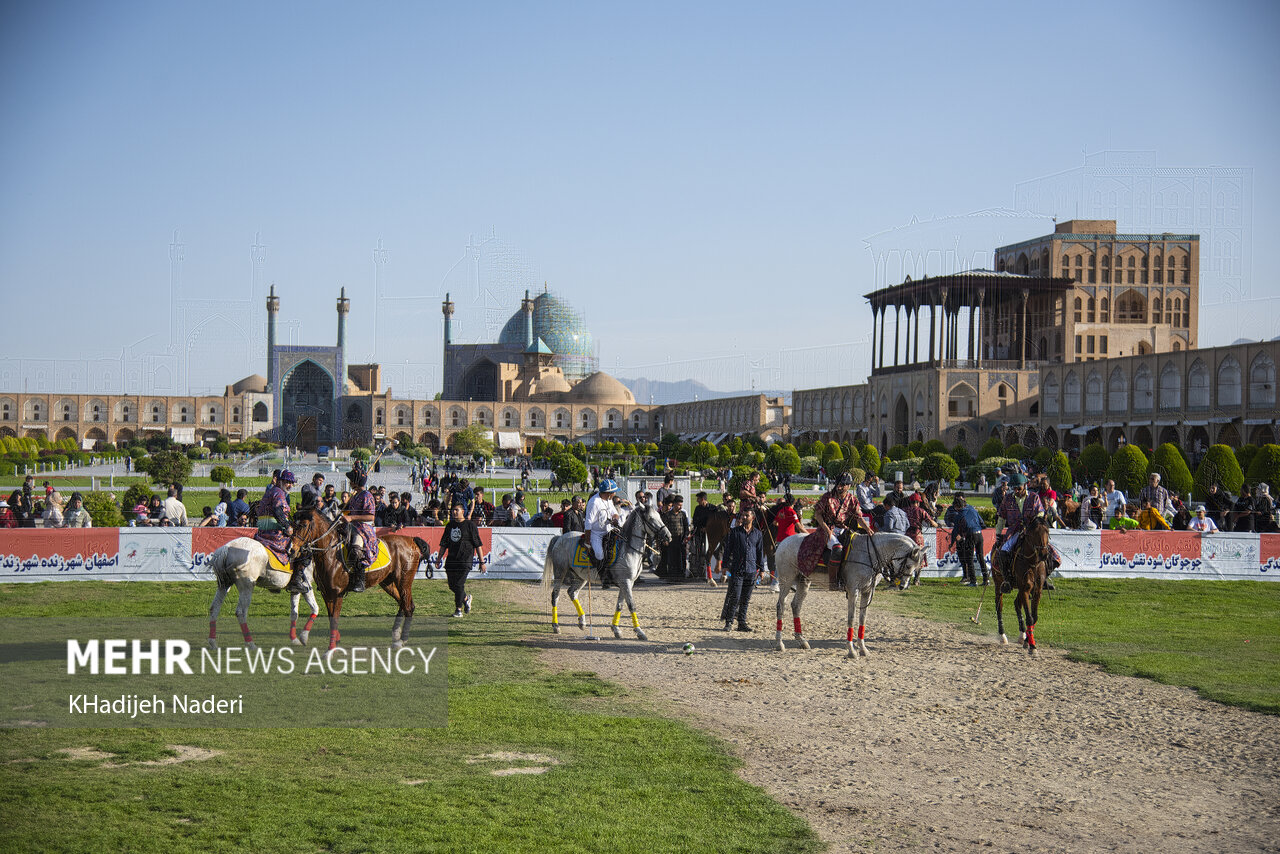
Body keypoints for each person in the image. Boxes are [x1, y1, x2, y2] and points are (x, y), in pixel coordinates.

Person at [811, 473, 867, 591]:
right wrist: (826, 529)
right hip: (826, 529)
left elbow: (859, 517)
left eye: (842, 485)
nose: (839, 487)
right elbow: (817, 514)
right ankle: (833, 582)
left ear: (848, 486)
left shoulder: (852, 499)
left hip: (843, 529)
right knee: (837, 548)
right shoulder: (828, 497)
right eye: (838, 484)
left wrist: (868, 530)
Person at [253, 469, 306, 592]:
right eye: (288, 482)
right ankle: (296, 581)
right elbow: (278, 511)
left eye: (292, 483)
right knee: (301, 549)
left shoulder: (272, 491)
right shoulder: (279, 493)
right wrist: (287, 526)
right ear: (280, 481)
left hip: (263, 531)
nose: (290, 485)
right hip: (274, 533)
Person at [719, 507, 765, 632]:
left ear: (752, 518)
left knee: (746, 599)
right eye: (742, 516)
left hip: (751, 570)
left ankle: (741, 623)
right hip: (737, 570)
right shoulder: (734, 532)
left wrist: (761, 570)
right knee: (735, 597)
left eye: (746, 515)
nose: (743, 517)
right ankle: (729, 622)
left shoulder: (758, 534)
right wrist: (724, 566)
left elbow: (760, 552)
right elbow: (728, 550)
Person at [438, 503, 485, 617]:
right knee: (452, 585)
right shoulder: (449, 526)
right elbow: (444, 544)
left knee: (459, 584)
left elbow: (478, 544)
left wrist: (481, 562)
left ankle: (458, 610)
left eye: (456, 510)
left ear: (463, 511)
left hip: (465, 560)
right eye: (453, 510)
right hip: (451, 560)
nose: (454, 512)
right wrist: (439, 558)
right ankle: (465, 599)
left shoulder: (470, 525)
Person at [341, 462, 376, 593]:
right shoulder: (355, 496)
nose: (349, 482)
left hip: (363, 530)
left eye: (351, 480)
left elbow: (371, 517)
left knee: (355, 549)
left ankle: (360, 580)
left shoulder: (367, 495)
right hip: (351, 527)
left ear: (356, 482)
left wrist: (351, 518)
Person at [945, 493, 988, 586]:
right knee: (981, 557)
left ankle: (973, 581)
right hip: (979, 535)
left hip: (970, 536)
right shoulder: (972, 509)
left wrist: (951, 543)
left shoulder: (959, 515)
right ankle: (986, 580)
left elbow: (955, 531)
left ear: (957, 506)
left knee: (969, 559)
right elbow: (982, 522)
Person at [585, 479, 622, 578]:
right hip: (596, 533)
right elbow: (588, 523)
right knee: (599, 554)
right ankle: (602, 575)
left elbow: (615, 513)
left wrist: (615, 518)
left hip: (609, 530)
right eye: (614, 491)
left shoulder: (609, 500)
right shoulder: (594, 502)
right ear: (608, 493)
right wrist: (587, 542)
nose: (615, 493)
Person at [660, 494, 690, 581]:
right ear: (674, 504)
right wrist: (665, 540)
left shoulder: (683, 515)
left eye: (681, 505)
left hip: (681, 540)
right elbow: (663, 529)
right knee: (672, 559)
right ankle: (672, 577)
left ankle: (681, 575)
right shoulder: (667, 515)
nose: (680, 507)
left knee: (682, 558)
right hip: (671, 541)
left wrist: (685, 537)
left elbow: (686, 527)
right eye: (678, 505)